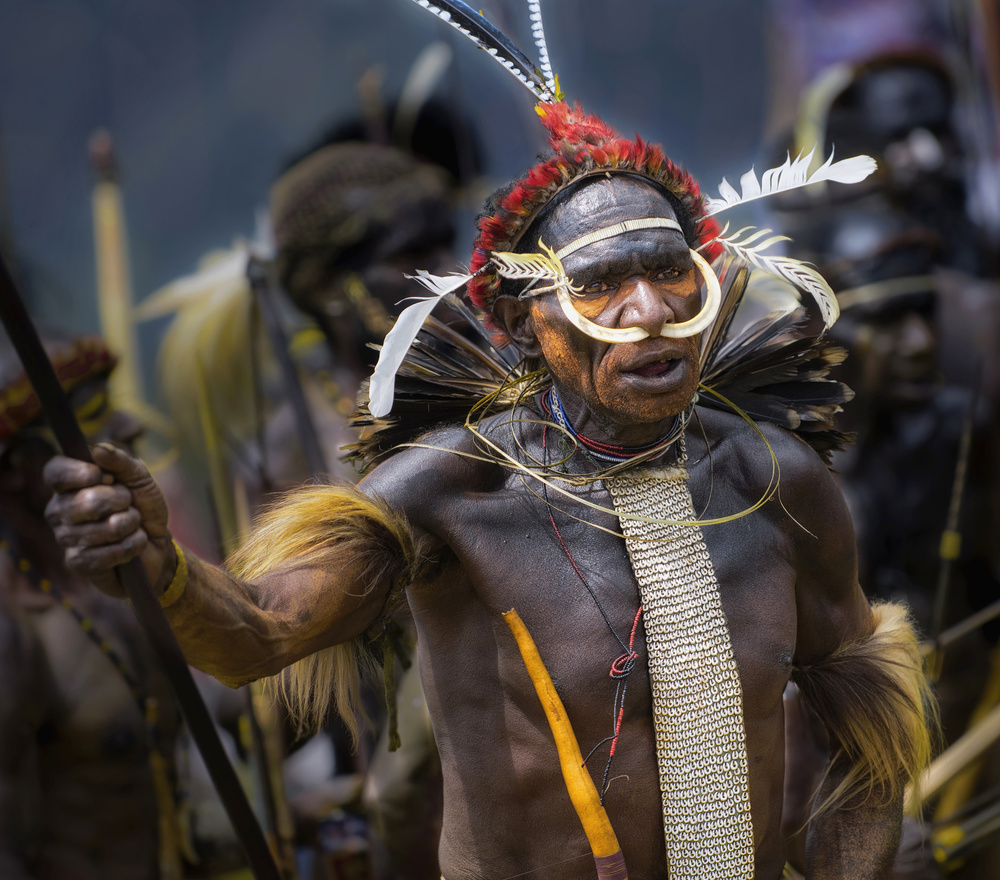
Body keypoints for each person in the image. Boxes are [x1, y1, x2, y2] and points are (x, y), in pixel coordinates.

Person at [41, 9, 934, 875]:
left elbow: (861, 712)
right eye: (600, 285)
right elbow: (259, 635)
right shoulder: (453, 494)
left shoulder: (775, 478)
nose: (649, 313)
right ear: (520, 315)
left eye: (670, 272)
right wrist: (159, 563)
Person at [0, 329, 182, 880]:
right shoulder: (12, 630)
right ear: (18, 468)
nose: (130, 424)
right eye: (96, 410)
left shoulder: (116, 575)